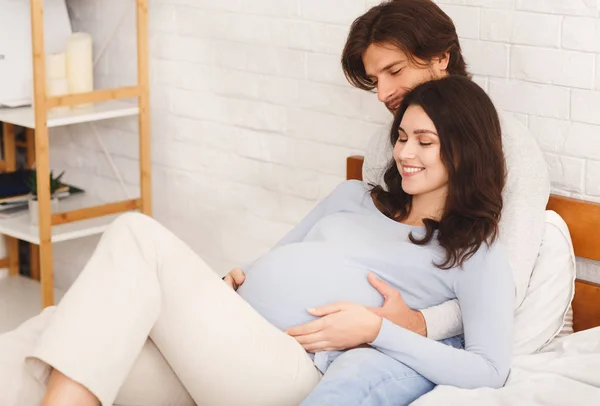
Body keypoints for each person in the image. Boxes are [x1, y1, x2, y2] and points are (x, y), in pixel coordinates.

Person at [3, 75, 513, 406]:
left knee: (136, 234)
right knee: (51, 340)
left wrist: (374, 331)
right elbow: (274, 260)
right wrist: (234, 278)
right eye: (402, 136)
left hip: (286, 369)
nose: (405, 152)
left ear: (465, 153)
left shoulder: (472, 250)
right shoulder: (351, 196)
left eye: (425, 142)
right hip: (227, 343)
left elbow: (489, 369)